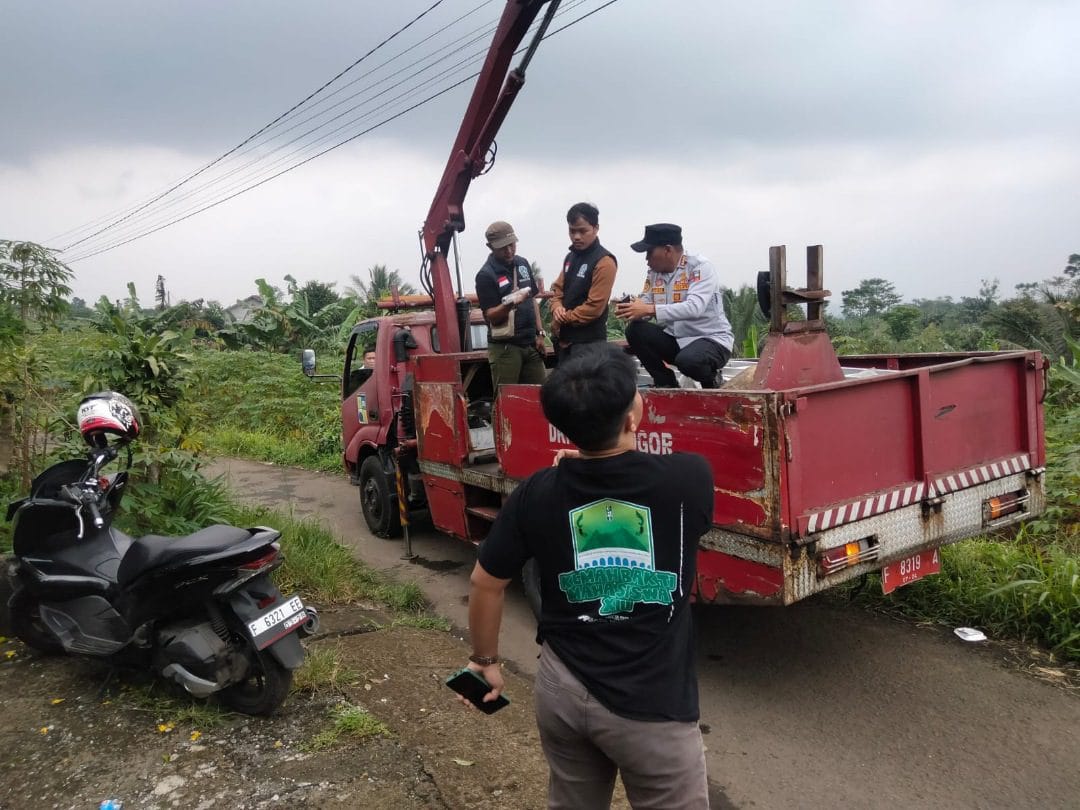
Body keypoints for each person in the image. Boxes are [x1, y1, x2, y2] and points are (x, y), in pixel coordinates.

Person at [460, 346, 712, 810]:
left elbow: (485, 582)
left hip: (563, 691)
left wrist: (484, 660)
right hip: (653, 707)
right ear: (634, 415)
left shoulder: (537, 492)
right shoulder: (688, 479)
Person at [615, 223, 733, 388]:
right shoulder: (654, 273)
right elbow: (646, 305)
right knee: (635, 330)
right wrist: (632, 307)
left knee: (689, 361)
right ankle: (666, 384)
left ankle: (711, 379)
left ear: (667, 250)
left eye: (649, 252)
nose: (646, 259)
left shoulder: (699, 267)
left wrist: (649, 309)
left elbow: (694, 307)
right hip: (677, 340)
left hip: (710, 340)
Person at [474, 220, 547, 389]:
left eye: (512, 245)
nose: (509, 251)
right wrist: (510, 303)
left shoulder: (522, 263)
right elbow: (491, 316)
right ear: (490, 247)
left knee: (540, 398)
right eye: (502, 247)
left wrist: (540, 333)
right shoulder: (486, 275)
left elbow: (532, 300)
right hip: (505, 348)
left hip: (530, 344)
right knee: (505, 401)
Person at [549, 202, 617, 362]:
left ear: (596, 228)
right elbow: (557, 289)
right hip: (565, 342)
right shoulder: (570, 257)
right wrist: (556, 307)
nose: (576, 236)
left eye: (582, 231)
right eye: (572, 231)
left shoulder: (604, 261)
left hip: (589, 345)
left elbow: (594, 307)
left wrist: (564, 318)